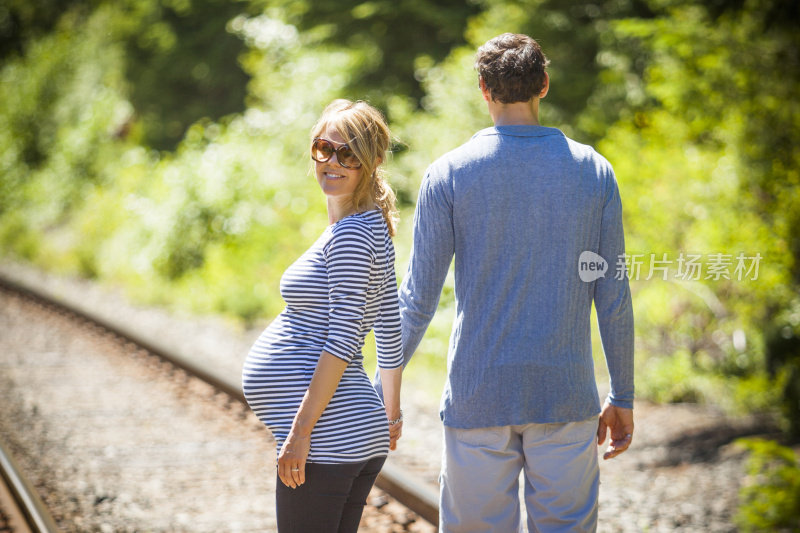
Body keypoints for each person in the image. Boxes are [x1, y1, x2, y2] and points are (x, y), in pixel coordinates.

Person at [397, 33, 635, 532]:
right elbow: (611, 294)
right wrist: (623, 395)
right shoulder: (593, 172)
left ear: (484, 89)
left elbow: (418, 299)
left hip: (478, 395)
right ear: (543, 84)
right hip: (565, 395)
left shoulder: (449, 174)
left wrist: (384, 388)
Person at [242, 99, 404, 533]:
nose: (332, 162)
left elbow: (344, 339)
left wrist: (300, 432)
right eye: (323, 148)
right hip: (351, 433)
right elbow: (389, 325)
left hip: (328, 441)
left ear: (371, 161)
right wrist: (389, 415)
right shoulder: (369, 224)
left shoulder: (352, 233)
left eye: (348, 153)